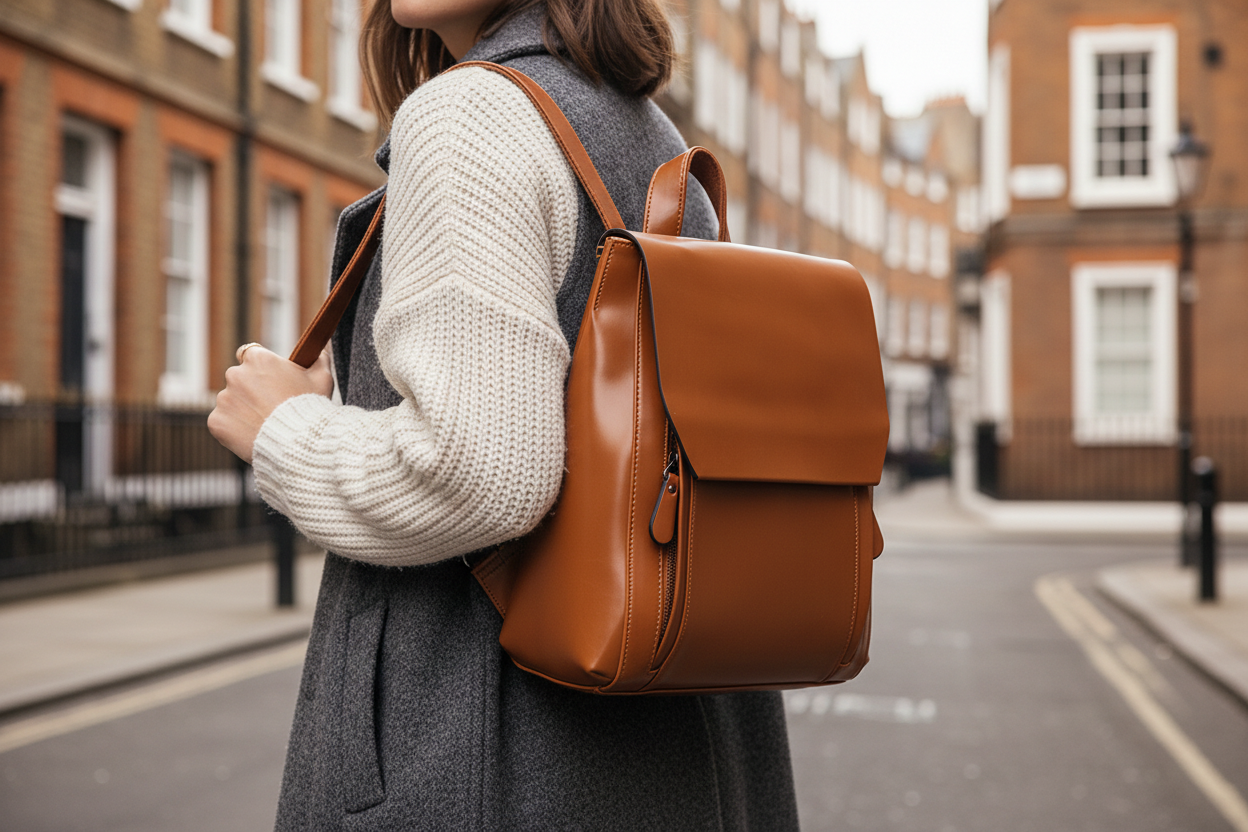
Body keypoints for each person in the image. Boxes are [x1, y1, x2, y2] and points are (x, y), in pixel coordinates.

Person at [207, 0, 800, 828]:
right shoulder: (649, 135)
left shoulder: (471, 113)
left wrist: (285, 431)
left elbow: (478, 474)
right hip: (684, 746)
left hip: (496, 747)